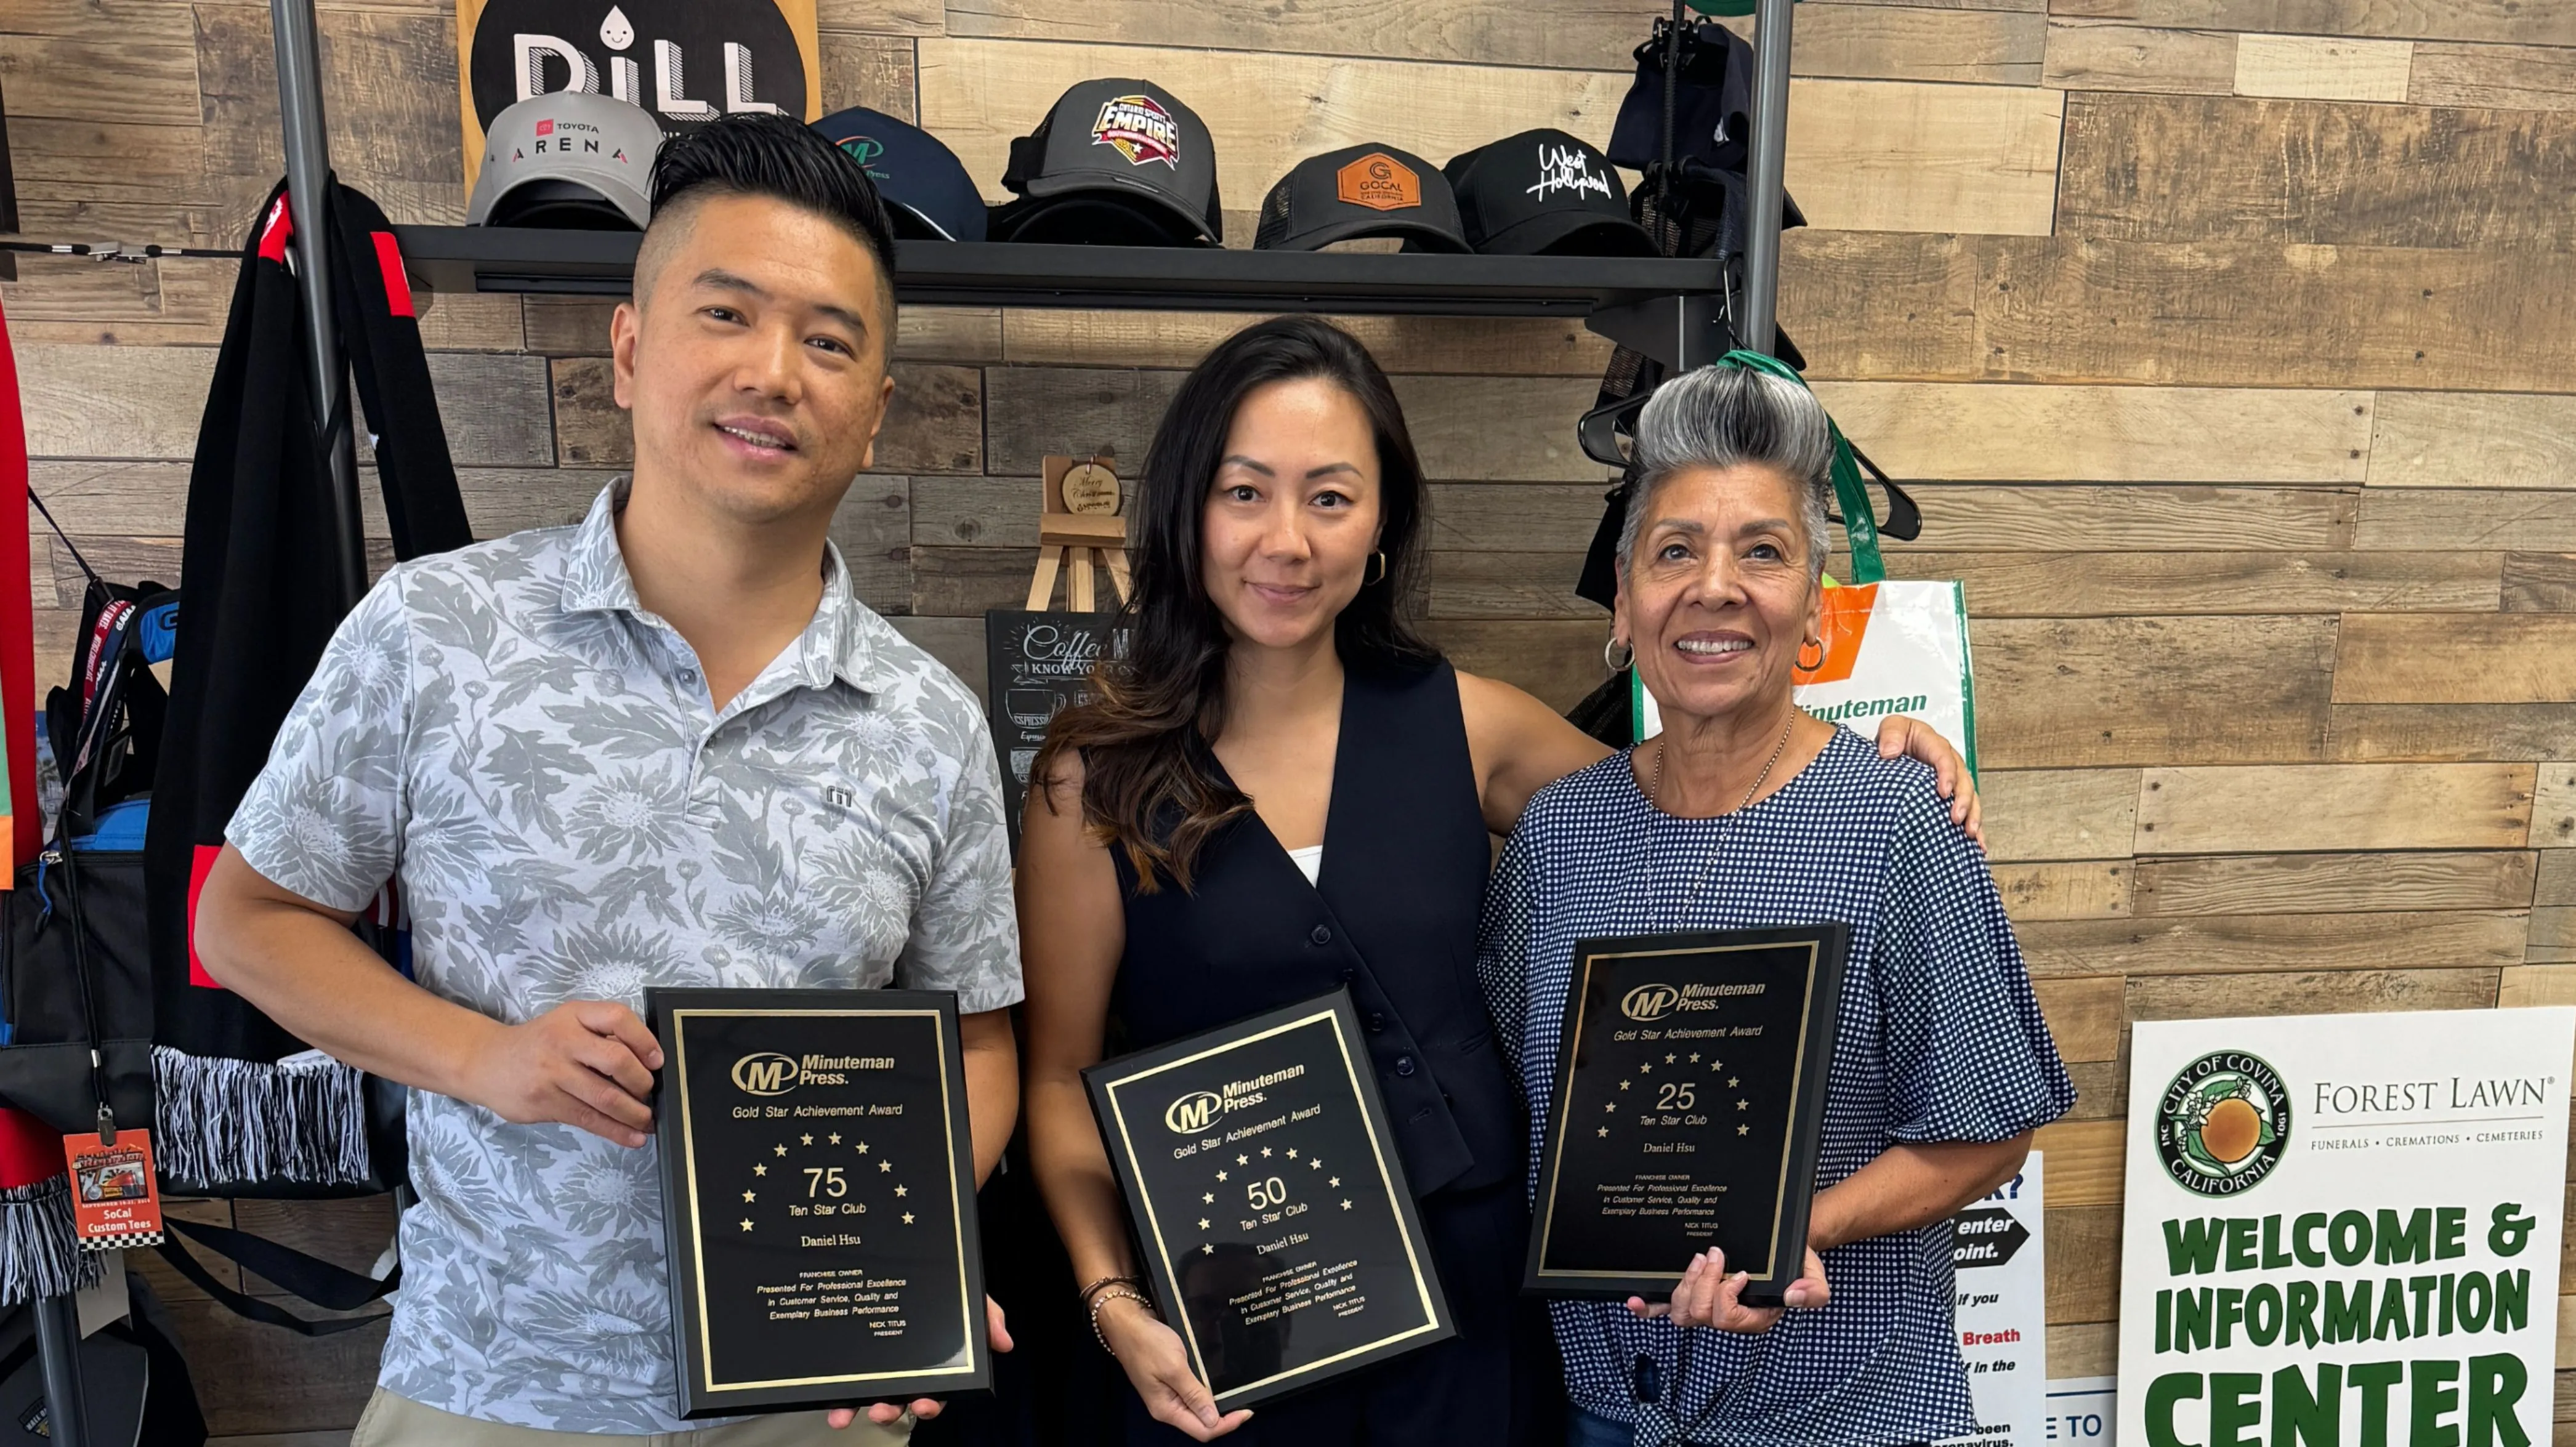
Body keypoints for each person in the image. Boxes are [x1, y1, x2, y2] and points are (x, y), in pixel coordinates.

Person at [193, 115, 1020, 1444]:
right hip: (488, 1380)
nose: (774, 371)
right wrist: (488, 1058)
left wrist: (908, 1239)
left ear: (875, 413)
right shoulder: (436, 629)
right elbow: (244, 920)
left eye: (828, 340)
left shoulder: (931, 722)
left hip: (809, 1404)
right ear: (629, 352)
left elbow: (978, 1034)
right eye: (728, 313)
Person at [1013, 318, 1980, 1446]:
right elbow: (1060, 1080)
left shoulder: (1472, 725)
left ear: (1380, 526)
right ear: (1187, 508)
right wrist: (1110, 1296)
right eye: (1245, 492)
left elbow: (1702, 809)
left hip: (1484, 1330)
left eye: (1330, 497)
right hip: (1236, 1332)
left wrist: (1869, 753)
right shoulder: (1095, 783)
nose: (1287, 539)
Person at [1477, 355, 2075, 1447]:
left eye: (1762, 551)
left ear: (1810, 608)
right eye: (1674, 551)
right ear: (1624, 602)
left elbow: (1989, 1132)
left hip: (1830, 1408)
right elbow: (1507, 1095)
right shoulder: (1559, 834)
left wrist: (1794, 1228)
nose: (1715, 586)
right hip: (1601, 1407)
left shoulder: (1894, 822)